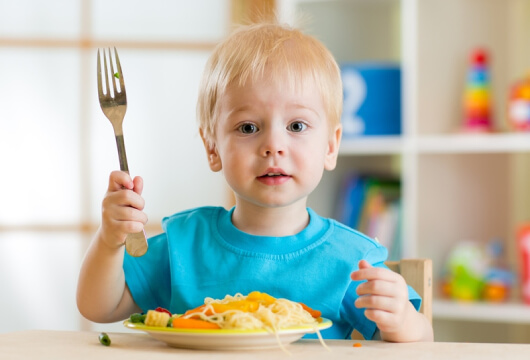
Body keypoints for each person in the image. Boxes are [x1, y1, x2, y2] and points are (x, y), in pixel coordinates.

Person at [77, 21, 433, 342]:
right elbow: (100, 308)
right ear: (212, 147)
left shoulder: (352, 260)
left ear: (330, 145)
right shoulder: (183, 244)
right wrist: (110, 241)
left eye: (296, 126)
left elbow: (423, 342)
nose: (273, 146)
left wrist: (402, 320)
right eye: (248, 127)